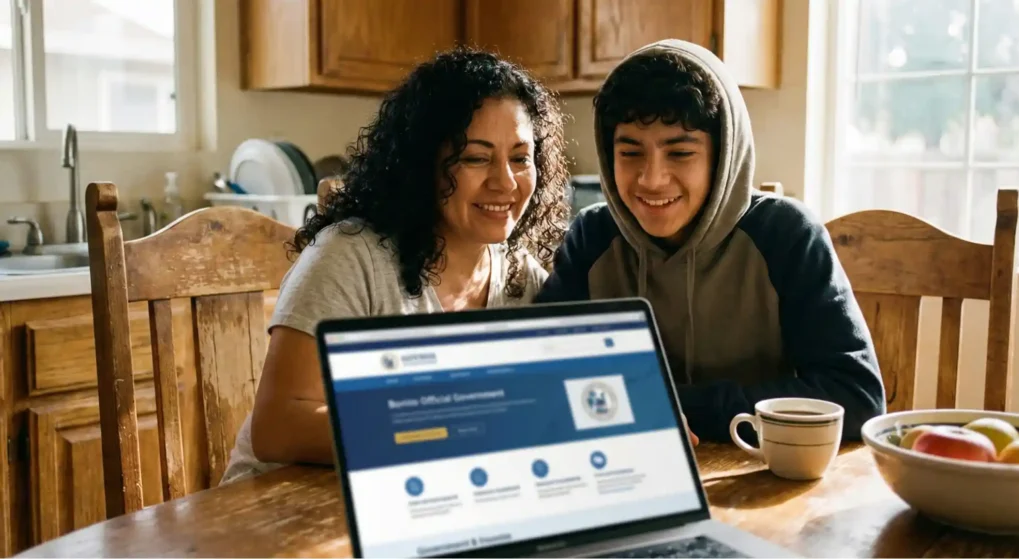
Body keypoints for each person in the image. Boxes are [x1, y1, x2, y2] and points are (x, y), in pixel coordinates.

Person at [221, 47, 571, 484]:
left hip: (408, 497)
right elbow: (276, 429)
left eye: (520, 158)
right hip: (279, 509)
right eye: (476, 157)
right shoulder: (349, 256)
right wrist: (452, 426)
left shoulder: (521, 276)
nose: (505, 181)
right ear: (422, 163)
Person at [535, 39, 886, 443]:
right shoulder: (592, 236)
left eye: (680, 153)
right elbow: (542, 374)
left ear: (722, 156)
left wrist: (677, 407)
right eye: (630, 153)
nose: (651, 179)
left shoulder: (786, 235)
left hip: (762, 482)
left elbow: (856, 398)